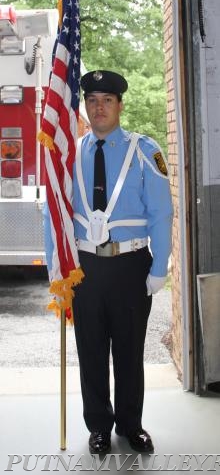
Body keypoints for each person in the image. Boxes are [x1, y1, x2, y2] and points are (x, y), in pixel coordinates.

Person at [44, 69, 173, 455]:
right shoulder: (70, 153)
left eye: (107, 101)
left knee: (130, 352)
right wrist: (56, 270)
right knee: (91, 351)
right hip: (85, 268)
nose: (99, 108)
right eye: (93, 101)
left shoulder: (144, 151)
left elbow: (162, 213)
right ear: (85, 106)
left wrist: (158, 268)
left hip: (130, 265)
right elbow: (55, 214)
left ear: (120, 106)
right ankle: (98, 425)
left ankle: (130, 425)